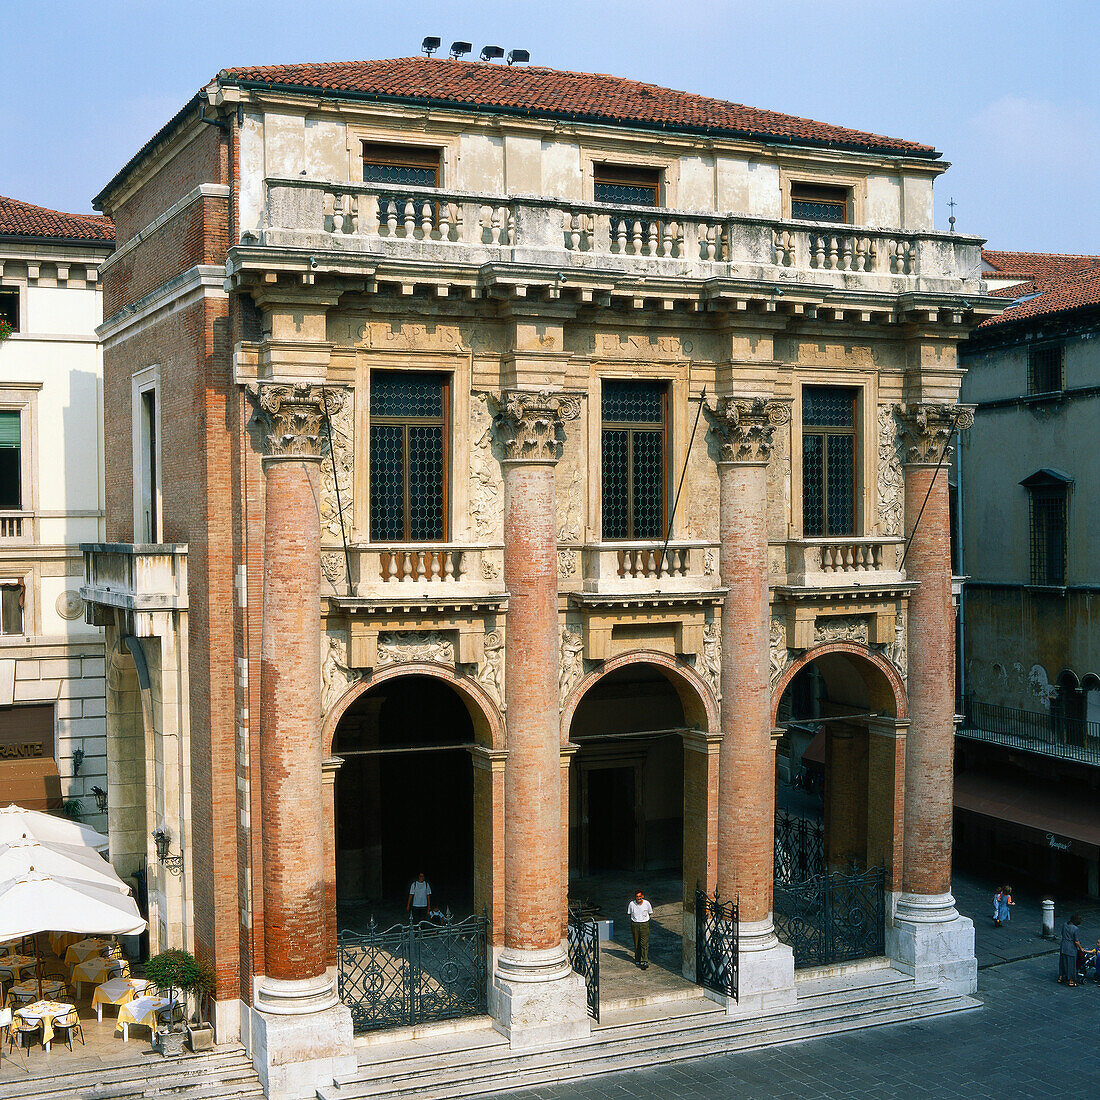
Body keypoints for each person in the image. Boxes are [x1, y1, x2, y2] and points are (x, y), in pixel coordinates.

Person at [628, 889, 653, 969]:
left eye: (640, 896)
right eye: (637, 897)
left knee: (644, 943)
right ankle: (637, 959)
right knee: (636, 943)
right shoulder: (631, 904)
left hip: (644, 924)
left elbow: (650, 912)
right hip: (635, 924)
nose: (638, 898)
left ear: (642, 896)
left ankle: (644, 960)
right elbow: (630, 914)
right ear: (635, 897)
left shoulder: (647, 903)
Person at [1058, 912, 1082, 986]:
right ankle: (1071, 980)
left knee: (1062, 962)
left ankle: (1061, 977)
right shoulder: (1075, 928)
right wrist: (1081, 948)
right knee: (1071, 964)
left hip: (1063, 945)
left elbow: (1062, 933)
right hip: (1071, 948)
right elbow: (1076, 941)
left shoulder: (1065, 924)